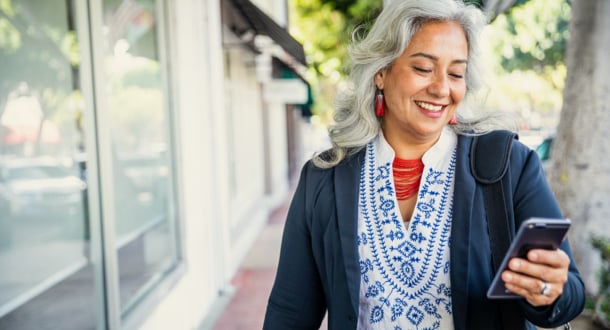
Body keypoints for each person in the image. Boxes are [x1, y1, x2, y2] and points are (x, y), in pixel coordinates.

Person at [263, 0, 585, 329]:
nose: (441, 88)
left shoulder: (510, 166)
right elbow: (290, 311)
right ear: (381, 72)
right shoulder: (325, 178)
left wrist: (547, 290)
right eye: (423, 68)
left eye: (456, 73)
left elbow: (570, 293)